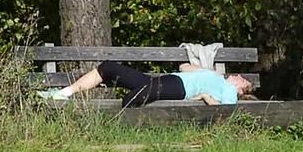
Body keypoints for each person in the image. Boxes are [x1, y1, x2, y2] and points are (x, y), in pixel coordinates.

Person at [38, 60, 255, 107]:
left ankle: (124, 113)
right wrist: (210, 72)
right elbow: (183, 67)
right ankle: (63, 93)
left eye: (241, 79)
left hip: (179, 90)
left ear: (242, 87)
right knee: (108, 67)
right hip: (168, 80)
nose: (237, 76)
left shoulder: (230, 91)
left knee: (134, 97)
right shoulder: (216, 76)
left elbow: (224, 112)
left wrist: (207, 96)